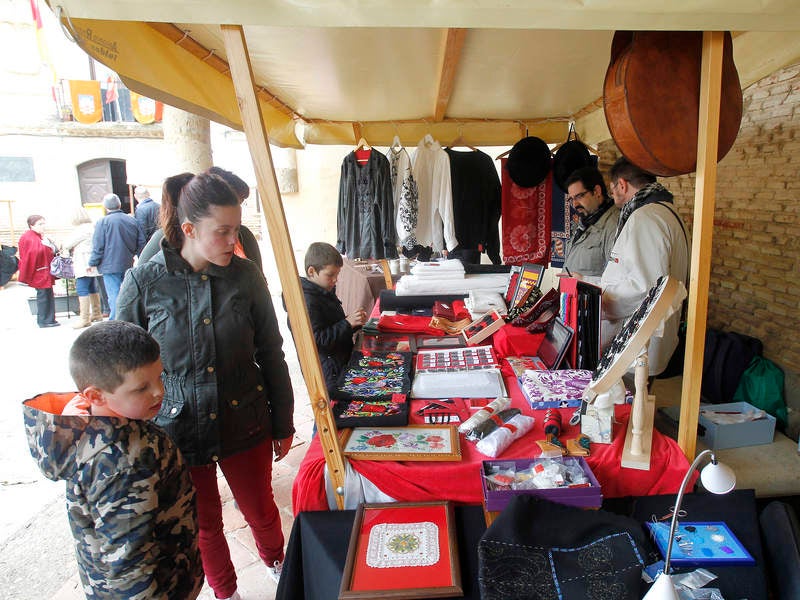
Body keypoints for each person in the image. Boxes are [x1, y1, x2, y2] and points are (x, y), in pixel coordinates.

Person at [116, 170, 294, 600]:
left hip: (244, 420)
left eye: (237, 230)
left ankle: (277, 564)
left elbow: (271, 350)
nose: (234, 242)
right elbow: (119, 358)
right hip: (177, 429)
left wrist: (283, 420)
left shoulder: (246, 276)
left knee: (261, 511)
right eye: (223, 232)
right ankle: (226, 591)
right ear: (190, 229)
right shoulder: (144, 281)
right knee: (203, 523)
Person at [22, 321, 203, 599]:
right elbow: (130, 569)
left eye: (160, 377)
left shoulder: (81, 424)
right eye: (141, 388)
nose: (158, 392)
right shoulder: (128, 462)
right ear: (96, 395)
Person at [601, 156, 689, 376]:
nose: (612, 196)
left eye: (612, 190)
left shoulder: (646, 217)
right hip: (649, 335)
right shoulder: (667, 212)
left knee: (630, 402)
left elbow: (644, 286)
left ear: (621, 184)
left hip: (641, 339)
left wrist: (600, 302)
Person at [138, 166, 263, 273]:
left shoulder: (244, 238)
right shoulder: (161, 243)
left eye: (239, 203)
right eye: (222, 231)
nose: (233, 240)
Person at [301, 242, 367, 393]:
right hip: (329, 373)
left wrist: (353, 322)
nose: (335, 280)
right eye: (330, 275)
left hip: (339, 362)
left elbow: (332, 324)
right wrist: (347, 324)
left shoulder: (323, 291)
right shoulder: (307, 301)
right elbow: (317, 341)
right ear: (311, 271)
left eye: (337, 275)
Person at [88, 193, 145, 320]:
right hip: (127, 262)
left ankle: (116, 320)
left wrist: (92, 262)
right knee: (127, 292)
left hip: (109, 265)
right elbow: (141, 242)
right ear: (119, 204)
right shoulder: (132, 220)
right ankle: (127, 318)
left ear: (105, 207)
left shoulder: (102, 222)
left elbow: (98, 245)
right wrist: (138, 256)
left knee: (114, 294)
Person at [562, 166, 620, 281]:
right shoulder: (586, 220)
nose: (575, 204)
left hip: (594, 298)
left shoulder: (614, 225)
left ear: (596, 191)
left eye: (579, 196)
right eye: (571, 199)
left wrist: (584, 280)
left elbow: (617, 279)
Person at [63, 206, 103, 328]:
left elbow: (67, 244)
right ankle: (97, 313)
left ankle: (84, 318)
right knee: (92, 287)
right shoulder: (93, 227)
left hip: (83, 262)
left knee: (82, 288)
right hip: (92, 262)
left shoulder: (80, 230)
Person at [18, 214, 59, 327]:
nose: (43, 226)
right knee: (43, 296)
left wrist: (50, 244)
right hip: (39, 272)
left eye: (44, 223)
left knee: (48, 294)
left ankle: (49, 319)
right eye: (40, 224)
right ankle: (44, 320)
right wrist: (48, 246)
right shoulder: (29, 237)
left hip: (43, 271)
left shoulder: (38, 236)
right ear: (32, 225)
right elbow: (32, 255)